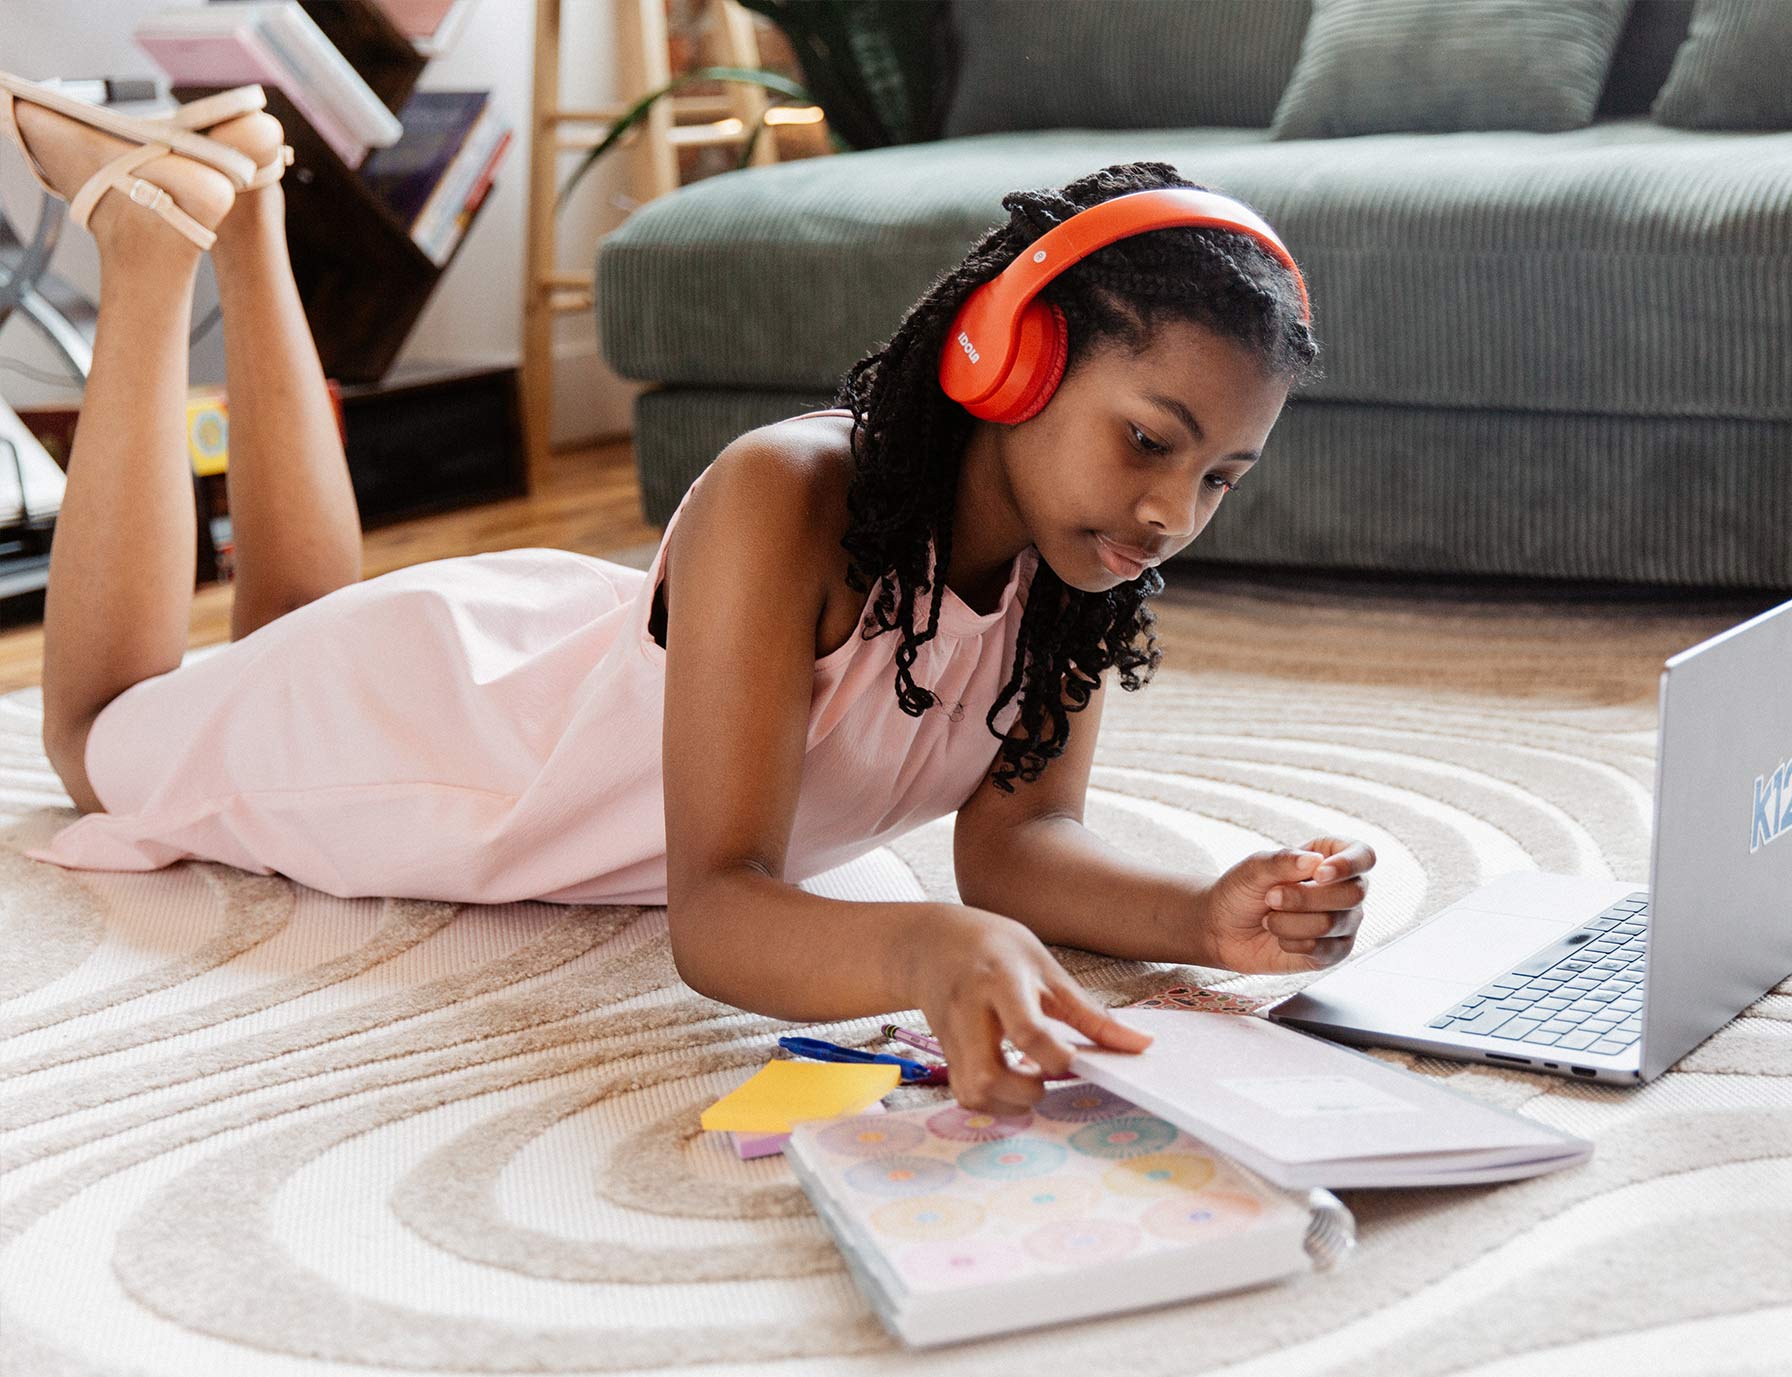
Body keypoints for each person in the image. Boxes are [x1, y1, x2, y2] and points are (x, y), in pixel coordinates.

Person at [1, 74, 1378, 1115]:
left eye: (1219, 478)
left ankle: (246, 204)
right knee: (103, 740)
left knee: (286, 640)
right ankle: (145, 245)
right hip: (447, 750)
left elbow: (1020, 847)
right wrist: (927, 951)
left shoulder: (1072, 574)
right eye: (1149, 439)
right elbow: (718, 912)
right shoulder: (788, 495)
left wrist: (1202, 913)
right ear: (1004, 358)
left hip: (507, 668)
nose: (1168, 512)